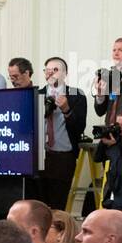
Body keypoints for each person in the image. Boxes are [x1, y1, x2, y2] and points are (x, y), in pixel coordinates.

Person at [36, 57, 88, 209]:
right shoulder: (37, 94)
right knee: (40, 203)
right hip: (40, 156)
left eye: (55, 70)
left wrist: (66, 109)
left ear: (65, 74)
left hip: (63, 156)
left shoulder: (76, 95)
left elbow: (79, 128)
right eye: (47, 70)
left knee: (58, 203)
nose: (50, 73)